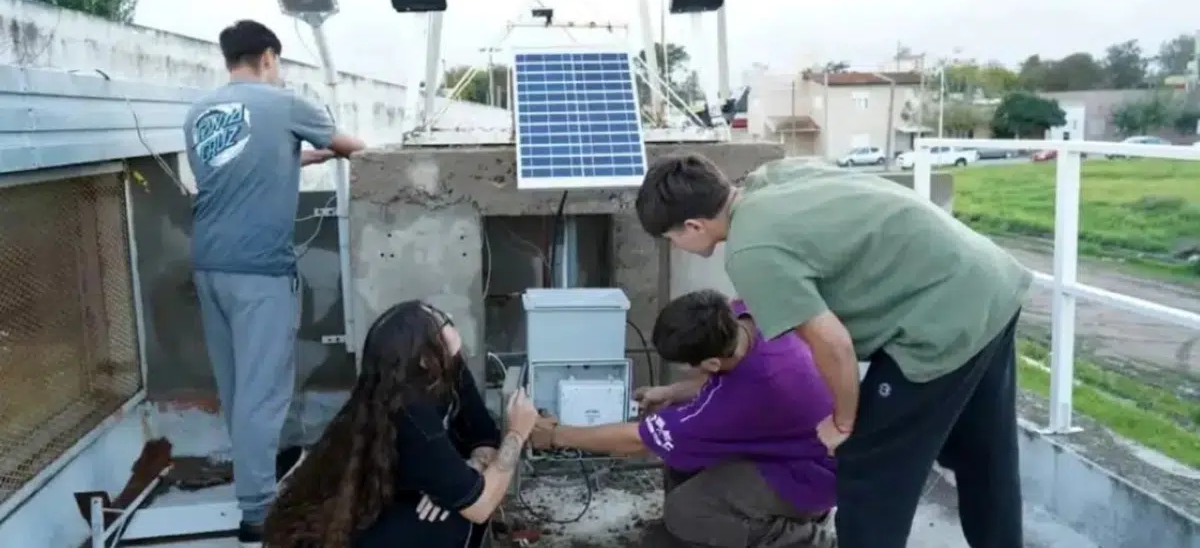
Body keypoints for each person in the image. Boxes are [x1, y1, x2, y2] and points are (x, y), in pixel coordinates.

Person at [634, 154, 1032, 548]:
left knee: (866, 467)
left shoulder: (748, 251)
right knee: (984, 455)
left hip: (939, 319)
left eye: (673, 239)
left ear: (693, 225)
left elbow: (833, 343)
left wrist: (842, 424)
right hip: (988, 280)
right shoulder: (775, 176)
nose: (679, 246)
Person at [183, 19, 366, 547]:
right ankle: (258, 512)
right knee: (263, 394)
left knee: (238, 387)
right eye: (278, 63)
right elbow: (357, 147)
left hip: (210, 267)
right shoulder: (284, 103)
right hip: (260, 272)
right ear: (268, 57)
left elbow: (246, 164)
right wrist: (336, 147)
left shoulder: (201, 114)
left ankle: (266, 469)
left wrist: (309, 155)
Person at [530, 290, 837, 548]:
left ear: (713, 362)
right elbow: (727, 381)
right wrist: (672, 392)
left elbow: (638, 440)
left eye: (690, 365)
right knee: (684, 462)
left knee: (684, 511)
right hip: (795, 444)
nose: (689, 371)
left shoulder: (737, 400)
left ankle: (809, 538)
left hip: (808, 477)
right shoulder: (751, 312)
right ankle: (707, 530)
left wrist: (557, 435)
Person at [263, 300, 539, 548]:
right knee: (459, 518)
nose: (450, 318)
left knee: (458, 502)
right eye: (442, 321)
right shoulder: (410, 415)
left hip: (387, 505)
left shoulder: (447, 370)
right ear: (423, 355)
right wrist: (517, 432)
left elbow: (484, 435)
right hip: (359, 528)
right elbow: (480, 506)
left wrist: (468, 469)